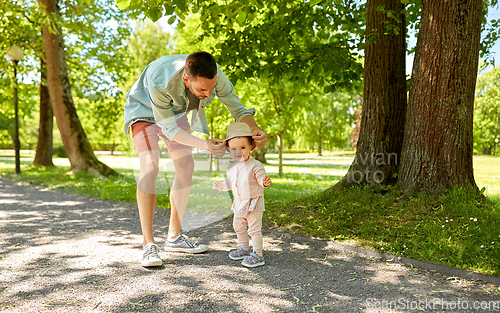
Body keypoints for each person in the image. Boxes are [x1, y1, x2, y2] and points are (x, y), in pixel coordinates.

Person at [123, 52, 267, 267]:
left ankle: (174, 236)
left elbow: (237, 108)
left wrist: (254, 129)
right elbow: (169, 129)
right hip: (144, 112)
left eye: (212, 88)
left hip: (175, 111)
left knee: (186, 166)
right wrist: (205, 145)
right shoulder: (160, 81)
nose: (209, 95)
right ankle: (148, 245)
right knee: (150, 166)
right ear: (186, 79)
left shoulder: (216, 77)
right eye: (202, 90)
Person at [212, 122, 272, 268]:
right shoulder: (231, 167)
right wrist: (221, 186)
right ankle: (244, 248)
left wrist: (263, 181)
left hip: (253, 202)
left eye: (243, 148)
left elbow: (260, 176)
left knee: (253, 229)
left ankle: (258, 254)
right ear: (228, 150)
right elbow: (230, 184)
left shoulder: (255, 165)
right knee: (238, 226)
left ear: (251, 147)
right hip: (239, 202)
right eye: (234, 149)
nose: (238, 152)